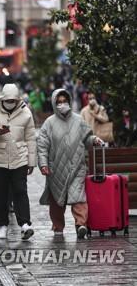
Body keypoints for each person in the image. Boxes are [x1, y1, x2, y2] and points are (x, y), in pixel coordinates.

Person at [37, 89, 104, 239]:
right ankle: (58, 227)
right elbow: (42, 145)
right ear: (54, 103)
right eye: (59, 102)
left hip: (77, 166)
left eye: (64, 101)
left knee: (78, 196)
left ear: (69, 101)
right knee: (56, 201)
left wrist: (94, 140)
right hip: (56, 169)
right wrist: (43, 164)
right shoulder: (49, 123)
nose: (62, 104)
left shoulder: (78, 120)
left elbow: (87, 138)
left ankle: (81, 225)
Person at [0, 83, 36, 240]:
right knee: (0, 193)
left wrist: (32, 161)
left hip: (19, 158)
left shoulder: (25, 112)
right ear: (2, 98)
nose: (11, 103)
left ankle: (25, 224)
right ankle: (2, 225)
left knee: (20, 191)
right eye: (8, 100)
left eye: (13, 100)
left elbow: (30, 138)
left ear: (18, 100)